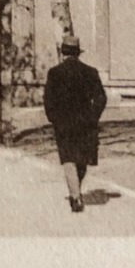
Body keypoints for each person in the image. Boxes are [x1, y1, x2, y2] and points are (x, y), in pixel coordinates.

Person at [43, 34, 108, 213]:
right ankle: (75, 193)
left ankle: (76, 195)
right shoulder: (90, 72)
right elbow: (101, 98)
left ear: (63, 52)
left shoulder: (54, 73)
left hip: (64, 124)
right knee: (82, 161)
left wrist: (54, 118)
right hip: (85, 123)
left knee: (68, 159)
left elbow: (48, 100)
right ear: (78, 53)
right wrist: (93, 116)